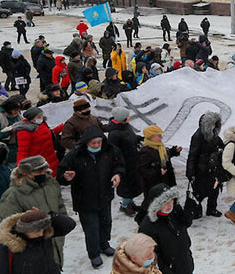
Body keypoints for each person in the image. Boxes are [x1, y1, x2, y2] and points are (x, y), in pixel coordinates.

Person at [57, 125, 125, 268]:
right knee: (92, 228)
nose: (96, 145)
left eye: (99, 142)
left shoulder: (110, 150)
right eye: (93, 143)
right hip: (85, 200)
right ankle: (94, 253)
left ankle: (104, 244)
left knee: (106, 222)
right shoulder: (74, 155)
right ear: (86, 142)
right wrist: (66, 177)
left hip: (104, 196)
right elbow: (60, 174)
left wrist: (117, 174)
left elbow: (120, 164)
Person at [0, 155, 68, 268]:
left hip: (54, 243)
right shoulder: (14, 194)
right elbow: (6, 227)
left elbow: (60, 206)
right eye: (38, 172)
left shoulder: (51, 184)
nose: (42, 174)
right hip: (32, 252)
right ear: (26, 174)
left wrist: (60, 224)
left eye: (44, 170)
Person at [138, 184, 194, 274]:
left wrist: (188, 210)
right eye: (165, 202)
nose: (169, 205)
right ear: (156, 204)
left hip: (184, 265)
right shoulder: (147, 228)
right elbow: (152, 258)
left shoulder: (175, 211)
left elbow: (185, 225)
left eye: (171, 200)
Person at [0, 209, 76, 274]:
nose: (41, 233)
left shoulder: (44, 235)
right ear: (25, 230)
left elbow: (70, 225)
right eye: (37, 230)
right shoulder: (8, 246)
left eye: (42, 229)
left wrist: (49, 216)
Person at [186, 112, 223, 217]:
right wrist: (190, 172)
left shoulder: (214, 135)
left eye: (215, 124)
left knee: (214, 190)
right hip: (201, 170)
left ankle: (211, 209)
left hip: (213, 168)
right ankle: (196, 210)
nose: (214, 126)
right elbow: (192, 155)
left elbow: (221, 145)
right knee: (199, 191)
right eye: (211, 124)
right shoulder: (197, 136)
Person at [137, 125, 181, 214]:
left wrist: (174, 151)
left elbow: (165, 156)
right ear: (151, 137)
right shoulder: (146, 152)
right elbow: (142, 170)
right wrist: (158, 172)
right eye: (158, 135)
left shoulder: (160, 147)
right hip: (154, 184)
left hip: (166, 181)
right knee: (155, 203)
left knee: (166, 201)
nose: (161, 137)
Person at [107, 108, 142, 217]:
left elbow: (130, 137)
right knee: (126, 186)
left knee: (132, 184)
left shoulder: (126, 126)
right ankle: (125, 205)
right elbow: (112, 150)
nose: (129, 117)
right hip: (124, 163)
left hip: (132, 160)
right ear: (123, 118)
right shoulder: (114, 134)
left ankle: (130, 202)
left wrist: (138, 138)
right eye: (127, 116)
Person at [13, 108, 62, 174]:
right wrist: (20, 167)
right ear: (32, 118)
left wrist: (62, 127)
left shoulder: (42, 123)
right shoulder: (24, 131)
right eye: (39, 116)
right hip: (39, 164)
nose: (41, 118)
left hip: (51, 158)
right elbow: (22, 150)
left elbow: (49, 133)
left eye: (41, 115)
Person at [0, 99, 22, 165]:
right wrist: (9, 131)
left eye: (18, 110)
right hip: (5, 145)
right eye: (15, 110)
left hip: (17, 143)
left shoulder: (18, 115)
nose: (17, 112)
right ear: (8, 109)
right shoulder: (1, 117)